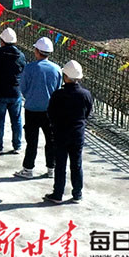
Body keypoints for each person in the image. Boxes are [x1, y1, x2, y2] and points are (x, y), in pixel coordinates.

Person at [13, 37, 63, 179]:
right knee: (51, 140)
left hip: (32, 110)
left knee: (32, 141)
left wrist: (31, 96)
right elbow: (58, 88)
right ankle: (51, 168)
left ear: (37, 51)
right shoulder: (57, 69)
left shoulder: (30, 68)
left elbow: (23, 88)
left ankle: (28, 169)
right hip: (50, 111)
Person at [44, 61, 93, 204]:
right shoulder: (86, 94)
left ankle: (58, 193)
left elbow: (50, 113)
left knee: (60, 164)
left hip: (60, 133)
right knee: (76, 163)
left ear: (65, 77)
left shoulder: (58, 94)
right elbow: (87, 112)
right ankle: (77, 193)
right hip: (77, 134)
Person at [0, 28, 26, 155]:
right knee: (17, 120)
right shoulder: (20, 55)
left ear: (2, 41)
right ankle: (17, 145)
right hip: (15, 92)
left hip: (0, 91)